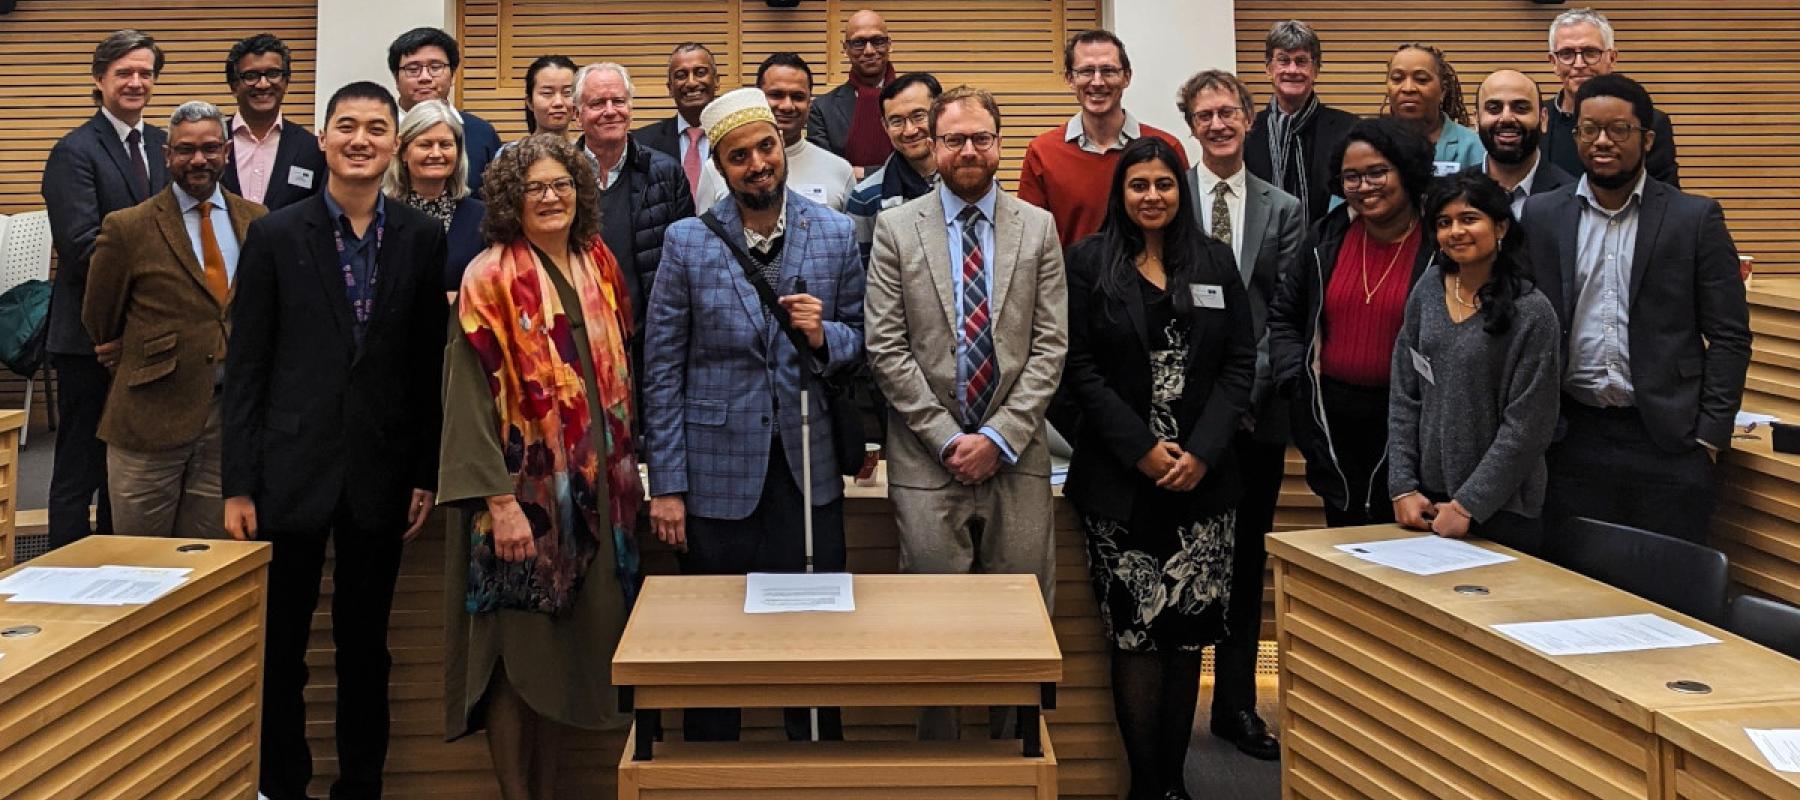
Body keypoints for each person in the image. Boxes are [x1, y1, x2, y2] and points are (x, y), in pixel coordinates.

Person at [223, 81, 448, 800]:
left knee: (364, 650)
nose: (361, 139)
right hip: (287, 473)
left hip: (379, 474)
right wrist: (237, 483)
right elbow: (247, 367)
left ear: (394, 146)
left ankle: (361, 786)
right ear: (322, 140)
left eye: (376, 129)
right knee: (281, 650)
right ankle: (283, 786)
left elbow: (423, 367)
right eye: (346, 126)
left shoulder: (421, 236)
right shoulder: (275, 234)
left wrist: (423, 471)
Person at [643, 87, 866, 743]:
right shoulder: (686, 241)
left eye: (766, 147)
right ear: (722, 165)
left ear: (782, 147)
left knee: (814, 643)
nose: (758, 163)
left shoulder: (834, 232)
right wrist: (670, 485)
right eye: (739, 156)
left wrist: (826, 335)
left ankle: (817, 763)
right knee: (714, 649)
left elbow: (863, 340)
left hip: (808, 470)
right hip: (715, 479)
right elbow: (661, 368)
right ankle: (711, 771)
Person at [438, 133, 640, 800]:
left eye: (563, 185)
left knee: (565, 657)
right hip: (520, 503)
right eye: (535, 189)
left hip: (592, 501)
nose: (551, 197)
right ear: (509, 201)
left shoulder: (598, 263)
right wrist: (498, 504)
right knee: (513, 658)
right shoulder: (489, 278)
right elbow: (466, 402)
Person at [864, 85, 1067, 739]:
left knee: (1023, 617)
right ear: (934, 146)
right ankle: (940, 760)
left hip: (1018, 455)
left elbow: (1051, 347)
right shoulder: (897, 229)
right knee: (931, 621)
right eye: (954, 139)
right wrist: (951, 439)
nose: (969, 150)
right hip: (928, 459)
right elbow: (886, 348)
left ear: (1000, 144)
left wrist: (999, 438)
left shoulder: (1037, 227)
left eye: (981, 137)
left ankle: (1018, 757)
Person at [1058, 136, 1254, 800]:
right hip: (1121, 482)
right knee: (1136, 638)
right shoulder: (1088, 263)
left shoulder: (1214, 261)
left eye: (1164, 185)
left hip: (1204, 481)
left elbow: (1239, 364)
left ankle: (1176, 784)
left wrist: (1201, 449)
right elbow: (1077, 369)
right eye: (1138, 185)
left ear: (1181, 191)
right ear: (1120, 194)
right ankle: (1145, 786)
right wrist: (1140, 447)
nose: (1151, 196)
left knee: (1186, 640)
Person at [1522, 74, 1749, 546]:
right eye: (1589, 130)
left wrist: (1709, 437)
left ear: (1646, 139)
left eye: (1618, 130)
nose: (1602, 141)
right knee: (1574, 592)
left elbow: (1729, 335)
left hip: (1667, 440)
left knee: (1666, 598)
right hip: (1571, 438)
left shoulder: (1694, 218)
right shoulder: (1542, 215)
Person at [1177, 69, 1301, 763]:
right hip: (1183, 422)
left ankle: (1236, 707)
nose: (1218, 124)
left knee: (1245, 563)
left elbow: (1281, 315)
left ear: (1249, 119)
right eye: (1205, 115)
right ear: (1191, 126)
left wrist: (1240, 400)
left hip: (1256, 417)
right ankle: (1172, 706)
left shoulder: (1281, 208)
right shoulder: (1170, 198)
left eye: (1229, 112)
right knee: (1188, 563)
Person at [81, 101, 264, 539]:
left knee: (208, 558)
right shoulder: (128, 227)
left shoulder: (258, 221)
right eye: (185, 150)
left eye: (209, 148)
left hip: (227, 421)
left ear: (225, 153)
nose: (198, 160)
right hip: (150, 416)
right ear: (167, 155)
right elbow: (100, 316)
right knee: (140, 559)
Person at [1268, 118, 1436, 527]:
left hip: (1411, 418)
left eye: (1378, 172)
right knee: (1345, 540)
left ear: (1405, 170)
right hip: (1332, 416)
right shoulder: (1325, 237)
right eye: (1352, 177)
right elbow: (1286, 317)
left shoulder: (1439, 242)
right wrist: (1296, 382)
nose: (1365, 186)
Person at [41, 29, 169, 549]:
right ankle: (63, 577)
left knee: (131, 466)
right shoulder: (73, 151)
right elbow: (82, 248)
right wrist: (158, 288)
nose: (136, 83)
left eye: (145, 73)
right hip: (89, 337)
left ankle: (120, 573)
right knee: (81, 465)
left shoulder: (164, 145)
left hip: (149, 340)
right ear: (99, 80)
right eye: (124, 73)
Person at [1389, 171, 1562, 556]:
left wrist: (1470, 504)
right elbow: (1405, 394)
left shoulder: (1532, 313)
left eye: (1469, 219)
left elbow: (1528, 428)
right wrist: (1402, 484)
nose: (1455, 232)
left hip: (1501, 510)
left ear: (1500, 226)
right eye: (1444, 223)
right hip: (1427, 505)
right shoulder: (1428, 289)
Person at [571, 62, 695, 393]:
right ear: (577, 112)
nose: (610, 111)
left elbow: (686, 266)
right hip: (574, 344)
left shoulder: (666, 174)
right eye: (597, 103)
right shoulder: (558, 175)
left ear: (630, 107)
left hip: (648, 345)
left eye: (618, 101)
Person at [1019, 30, 1186, 249]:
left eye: (1108, 71)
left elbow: (1185, 228)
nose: (1097, 82)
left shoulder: (1166, 147)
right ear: (1070, 78)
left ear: (1126, 77)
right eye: (1087, 71)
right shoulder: (1042, 153)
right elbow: (1030, 242)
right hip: (1071, 282)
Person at [695, 53, 856, 212]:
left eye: (798, 97)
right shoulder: (716, 170)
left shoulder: (839, 170)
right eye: (776, 95)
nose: (787, 106)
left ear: (809, 103)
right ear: (759, 98)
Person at [1541, 8, 1679, 186]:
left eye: (1590, 52)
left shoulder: (1651, 122)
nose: (1579, 64)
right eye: (1566, 54)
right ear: (1554, 63)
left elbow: (1665, 199)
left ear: (1612, 58)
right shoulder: (1536, 121)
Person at [1246, 20, 1358, 229]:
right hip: (1266, 253)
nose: (1292, 69)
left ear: (1315, 70)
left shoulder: (1349, 129)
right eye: (1283, 60)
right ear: (1268, 68)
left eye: (1301, 61)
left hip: (1330, 247)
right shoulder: (1248, 131)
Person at [385, 99, 487, 290]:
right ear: (404, 153)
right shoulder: (381, 215)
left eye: (445, 144)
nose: (436, 153)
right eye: (425, 145)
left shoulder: (482, 218)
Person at [389, 27, 501, 193]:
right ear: (396, 78)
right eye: (413, 69)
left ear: (454, 75)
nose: (425, 77)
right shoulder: (381, 132)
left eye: (435, 67)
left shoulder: (482, 133)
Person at [220, 33, 325, 211]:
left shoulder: (311, 149)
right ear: (233, 85)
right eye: (251, 75)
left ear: (286, 81)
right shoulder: (211, 141)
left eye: (273, 74)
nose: (263, 84)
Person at [846, 71, 942, 263]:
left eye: (918, 116)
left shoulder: (969, 179)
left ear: (940, 113)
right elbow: (862, 278)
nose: (910, 130)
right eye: (897, 121)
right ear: (884, 126)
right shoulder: (865, 197)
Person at [808, 9, 898, 172]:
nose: (869, 50)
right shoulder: (822, 109)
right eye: (859, 43)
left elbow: (924, 162)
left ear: (889, 45)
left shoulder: (917, 101)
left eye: (877, 41)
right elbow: (825, 171)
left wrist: (863, 172)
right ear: (845, 49)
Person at [1477, 69, 1573, 217]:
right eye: (1494, 108)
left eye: (1521, 108)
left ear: (1543, 119)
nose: (1507, 118)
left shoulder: (1573, 198)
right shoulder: (1454, 192)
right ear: (1477, 120)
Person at [1384, 43, 1484, 176]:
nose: (1408, 88)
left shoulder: (1474, 147)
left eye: (1421, 79)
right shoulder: (1369, 145)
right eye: (1397, 79)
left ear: (1443, 90)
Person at [635, 43, 720, 196]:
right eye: (681, 76)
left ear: (716, 81)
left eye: (700, 72)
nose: (692, 82)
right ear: (670, 88)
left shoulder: (737, 139)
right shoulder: (641, 143)